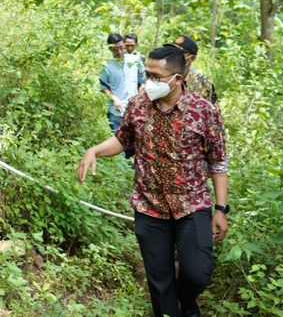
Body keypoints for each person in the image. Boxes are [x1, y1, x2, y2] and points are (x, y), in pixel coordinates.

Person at [78, 46, 229, 317]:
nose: (148, 81)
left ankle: (187, 301)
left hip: (191, 205)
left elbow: (218, 163)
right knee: (160, 282)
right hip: (149, 207)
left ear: (177, 79)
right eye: (146, 74)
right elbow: (123, 139)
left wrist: (221, 209)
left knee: (197, 273)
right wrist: (94, 151)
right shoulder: (137, 105)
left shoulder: (204, 112)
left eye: (155, 76)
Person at [100, 33, 144, 158]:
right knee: (118, 142)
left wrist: (140, 95)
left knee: (135, 143)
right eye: (115, 49)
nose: (119, 51)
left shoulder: (135, 61)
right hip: (116, 110)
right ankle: (121, 168)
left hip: (133, 109)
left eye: (121, 47)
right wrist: (114, 98)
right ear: (110, 49)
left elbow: (143, 81)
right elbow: (104, 87)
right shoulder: (106, 65)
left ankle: (132, 169)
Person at [166, 35, 218, 105]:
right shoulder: (162, 77)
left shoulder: (203, 83)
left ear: (192, 58)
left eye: (180, 53)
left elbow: (213, 113)